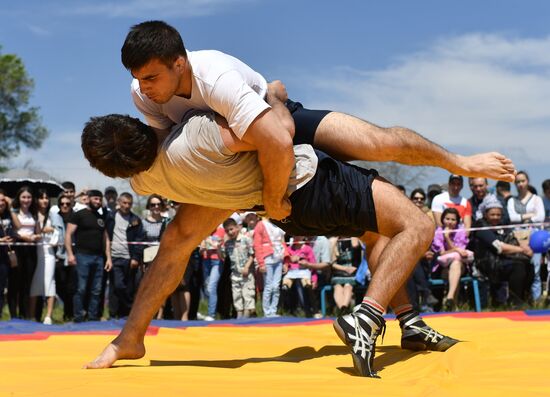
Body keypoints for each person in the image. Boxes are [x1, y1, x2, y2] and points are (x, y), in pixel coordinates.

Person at [81, 106, 471, 378]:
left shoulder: (144, 181)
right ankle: (367, 317)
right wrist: (275, 97)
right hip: (307, 182)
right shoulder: (196, 133)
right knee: (416, 224)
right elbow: (277, 131)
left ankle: (129, 338)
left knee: (176, 242)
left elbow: (184, 224)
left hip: (280, 213)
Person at [121, 20, 516, 222]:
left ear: (179, 63)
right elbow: (167, 146)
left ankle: (460, 162)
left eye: (152, 77)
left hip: (277, 118)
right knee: (179, 237)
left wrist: (275, 201)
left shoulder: (216, 78)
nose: (145, 88)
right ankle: (128, 340)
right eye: (139, 78)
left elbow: (278, 138)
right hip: (235, 152)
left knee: (379, 144)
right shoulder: (142, 93)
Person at [472, 196, 532, 307]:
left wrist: (526, 247)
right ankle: (515, 302)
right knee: (518, 266)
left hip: (501, 260)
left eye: (498, 215)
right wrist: (522, 250)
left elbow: (513, 240)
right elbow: (499, 247)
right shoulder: (480, 226)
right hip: (487, 263)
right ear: (485, 214)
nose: (496, 217)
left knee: (528, 264)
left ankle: (525, 299)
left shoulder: (502, 226)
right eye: (492, 214)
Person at [65, 190, 112, 322]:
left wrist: (108, 257)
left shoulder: (101, 218)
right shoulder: (78, 215)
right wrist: (70, 254)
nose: (98, 202)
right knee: (81, 288)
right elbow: (68, 234)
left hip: (99, 258)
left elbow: (106, 239)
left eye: (99, 199)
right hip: (82, 256)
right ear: (89, 199)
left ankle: (93, 317)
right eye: (95, 199)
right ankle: (78, 317)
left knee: (96, 290)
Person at [507, 171, 545, 301]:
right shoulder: (512, 200)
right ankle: (519, 299)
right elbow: (511, 217)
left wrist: (521, 219)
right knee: (519, 267)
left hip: (534, 237)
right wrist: (528, 216)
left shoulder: (536, 199)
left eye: (523, 181)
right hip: (517, 237)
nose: (520, 184)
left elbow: (541, 217)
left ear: (527, 181)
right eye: (518, 182)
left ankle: (536, 300)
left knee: (535, 269)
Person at [105, 192, 144, 318]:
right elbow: (106, 236)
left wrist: (135, 258)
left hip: (129, 259)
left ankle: (125, 314)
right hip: (115, 257)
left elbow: (139, 240)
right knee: (117, 285)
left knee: (129, 287)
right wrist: (108, 257)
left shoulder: (135, 220)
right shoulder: (110, 217)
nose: (126, 206)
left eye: (129, 204)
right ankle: (117, 311)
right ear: (118, 203)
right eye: (124, 203)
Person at [430, 208, 474, 311]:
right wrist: (446, 237)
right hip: (441, 267)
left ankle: (450, 298)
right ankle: (453, 303)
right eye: (447, 219)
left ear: (457, 221)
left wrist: (448, 239)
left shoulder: (461, 231)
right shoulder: (438, 233)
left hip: (461, 266)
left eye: (453, 219)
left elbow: (461, 253)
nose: (449, 222)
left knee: (456, 263)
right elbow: (442, 253)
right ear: (442, 219)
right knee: (455, 266)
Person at [29, 190, 61, 324]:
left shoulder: (53, 214)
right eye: (41, 198)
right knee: (34, 284)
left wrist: (52, 229)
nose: (44, 200)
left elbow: (59, 230)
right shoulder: (32, 215)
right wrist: (41, 230)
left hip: (48, 254)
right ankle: (31, 316)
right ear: (37, 200)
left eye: (47, 198)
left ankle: (48, 315)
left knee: (49, 282)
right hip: (34, 253)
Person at [9, 187, 40, 319]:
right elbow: (16, 229)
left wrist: (36, 236)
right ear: (19, 198)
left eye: (28, 197)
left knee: (28, 283)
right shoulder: (14, 212)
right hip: (18, 249)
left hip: (31, 250)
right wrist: (24, 237)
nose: (26, 200)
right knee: (16, 282)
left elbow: (38, 232)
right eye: (23, 197)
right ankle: (14, 315)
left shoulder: (34, 213)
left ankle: (25, 314)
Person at [222, 218, 255, 319]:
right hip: (235, 274)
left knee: (247, 294)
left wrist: (246, 267)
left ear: (237, 227)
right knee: (236, 295)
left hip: (246, 273)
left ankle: (246, 316)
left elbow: (252, 255)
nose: (230, 232)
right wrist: (220, 247)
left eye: (231, 229)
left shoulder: (246, 239)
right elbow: (223, 257)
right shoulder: (228, 243)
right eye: (227, 231)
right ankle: (239, 316)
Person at [253, 218, 286, 318]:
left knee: (276, 286)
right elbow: (257, 245)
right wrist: (261, 263)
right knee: (268, 286)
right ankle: (267, 312)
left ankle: (273, 310)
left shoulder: (279, 224)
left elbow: (283, 242)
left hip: (279, 257)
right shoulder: (261, 224)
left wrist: (286, 261)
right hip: (267, 258)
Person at [51, 192, 76, 321]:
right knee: (60, 286)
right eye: (62, 204)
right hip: (58, 256)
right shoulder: (54, 217)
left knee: (71, 287)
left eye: (67, 203)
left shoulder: (75, 217)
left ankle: (69, 314)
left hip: (72, 256)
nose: (65, 206)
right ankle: (67, 310)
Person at [330, 237, 360, 315]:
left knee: (348, 286)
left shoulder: (354, 240)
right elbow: (332, 263)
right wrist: (345, 268)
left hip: (352, 271)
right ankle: (343, 311)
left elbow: (357, 249)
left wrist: (355, 240)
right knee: (337, 287)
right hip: (339, 271)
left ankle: (344, 309)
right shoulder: (334, 242)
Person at [0, 191, 18, 315]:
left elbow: (18, 225)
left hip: (5, 257)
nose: (1, 203)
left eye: (3, 200)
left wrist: (11, 207)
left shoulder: (8, 215)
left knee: (1, 288)